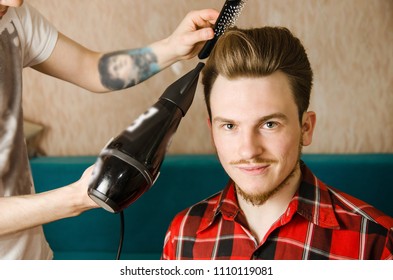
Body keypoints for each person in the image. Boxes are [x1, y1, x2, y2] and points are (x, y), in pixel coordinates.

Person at [0, 0, 219, 259]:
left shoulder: (12, 16)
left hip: (33, 258)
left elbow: (91, 69)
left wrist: (172, 48)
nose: (15, 1)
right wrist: (77, 197)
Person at [161, 27, 393, 260]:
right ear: (213, 131)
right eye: (230, 126)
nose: (249, 150)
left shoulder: (377, 241)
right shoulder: (182, 235)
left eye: (269, 124)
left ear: (306, 128)